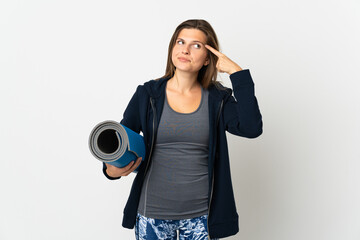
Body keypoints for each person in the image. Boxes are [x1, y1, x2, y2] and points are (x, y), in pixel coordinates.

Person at [102, 19, 263, 240]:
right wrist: (111, 170)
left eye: (196, 45)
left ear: (208, 58)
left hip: (201, 219)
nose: (185, 49)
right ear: (172, 48)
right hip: (152, 215)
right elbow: (119, 141)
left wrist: (237, 73)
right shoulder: (147, 94)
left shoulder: (218, 99)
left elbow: (251, 127)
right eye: (180, 42)